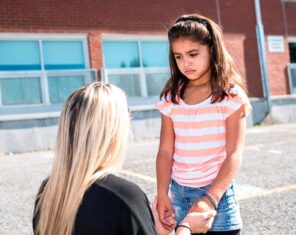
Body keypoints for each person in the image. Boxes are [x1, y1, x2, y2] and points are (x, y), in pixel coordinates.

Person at [32, 82, 215, 235]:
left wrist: (146, 224)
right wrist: (186, 227)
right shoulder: (123, 196)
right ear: (112, 129)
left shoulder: (48, 193)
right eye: (127, 113)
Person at [156, 14, 252, 235]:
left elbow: (234, 154)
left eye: (193, 54)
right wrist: (162, 194)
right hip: (178, 194)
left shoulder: (230, 96)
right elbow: (165, 151)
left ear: (212, 50)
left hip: (216, 196)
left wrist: (209, 199)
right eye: (178, 56)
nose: (185, 63)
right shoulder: (171, 98)